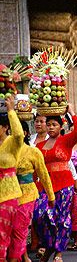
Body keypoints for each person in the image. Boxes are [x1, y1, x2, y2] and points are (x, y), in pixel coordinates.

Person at [33, 104, 77, 262]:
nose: (50, 127)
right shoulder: (39, 146)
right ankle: (48, 246)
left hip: (64, 185)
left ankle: (59, 252)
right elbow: (36, 167)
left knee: (61, 218)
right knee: (40, 216)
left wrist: (71, 112)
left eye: (54, 124)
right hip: (44, 186)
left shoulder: (66, 140)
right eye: (48, 125)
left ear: (61, 126)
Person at [8, 121, 55, 262]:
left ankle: (20, 257)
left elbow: (44, 175)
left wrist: (51, 196)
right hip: (7, 194)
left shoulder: (33, 151)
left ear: (26, 133)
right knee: (9, 229)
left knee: (19, 228)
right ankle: (22, 256)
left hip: (27, 194)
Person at [0, 96, 24, 261]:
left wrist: (11, 110)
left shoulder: (12, 143)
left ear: (4, 127)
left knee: (4, 233)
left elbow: (19, 134)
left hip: (8, 195)